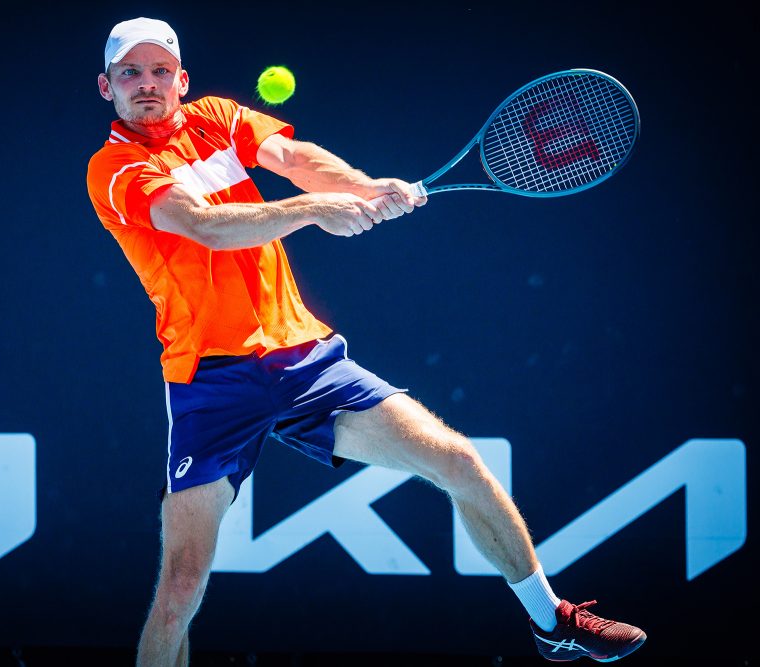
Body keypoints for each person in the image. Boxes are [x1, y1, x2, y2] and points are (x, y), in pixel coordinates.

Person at [86, 17, 646, 667]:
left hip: (304, 360)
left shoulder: (214, 116)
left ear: (182, 81)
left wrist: (359, 188)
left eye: (160, 71)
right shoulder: (114, 168)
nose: (147, 84)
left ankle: (551, 620)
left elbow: (293, 159)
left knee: (460, 463)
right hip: (210, 380)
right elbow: (204, 227)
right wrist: (313, 211)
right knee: (180, 589)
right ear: (108, 87)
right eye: (131, 73)